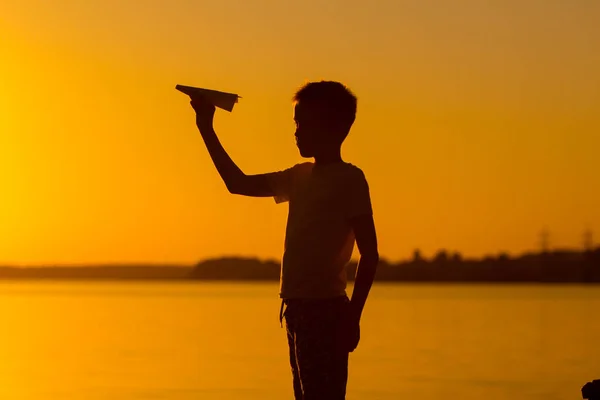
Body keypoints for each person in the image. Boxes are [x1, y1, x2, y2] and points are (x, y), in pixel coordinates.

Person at [190, 80, 379, 399]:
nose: (297, 131)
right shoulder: (298, 177)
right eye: (296, 123)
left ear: (332, 126)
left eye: (303, 123)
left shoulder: (350, 180)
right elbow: (237, 184)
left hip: (326, 312)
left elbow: (370, 254)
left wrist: (352, 316)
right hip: (295, 310)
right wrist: (205, 127)